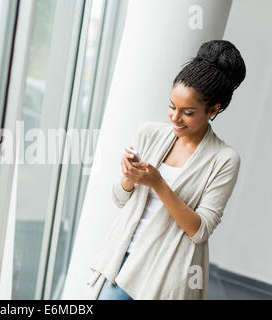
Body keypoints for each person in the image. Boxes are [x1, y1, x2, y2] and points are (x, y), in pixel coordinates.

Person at [87, 40, 246, 300]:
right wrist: (128, 179)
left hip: (166, 268)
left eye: (188, 112)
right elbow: (119, 198)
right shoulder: (149, 134)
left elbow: (200, 230)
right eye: (172, 106)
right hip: (123, 254)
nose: (175, 117)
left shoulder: (224, 160)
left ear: (214, 109)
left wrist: (158, 183)